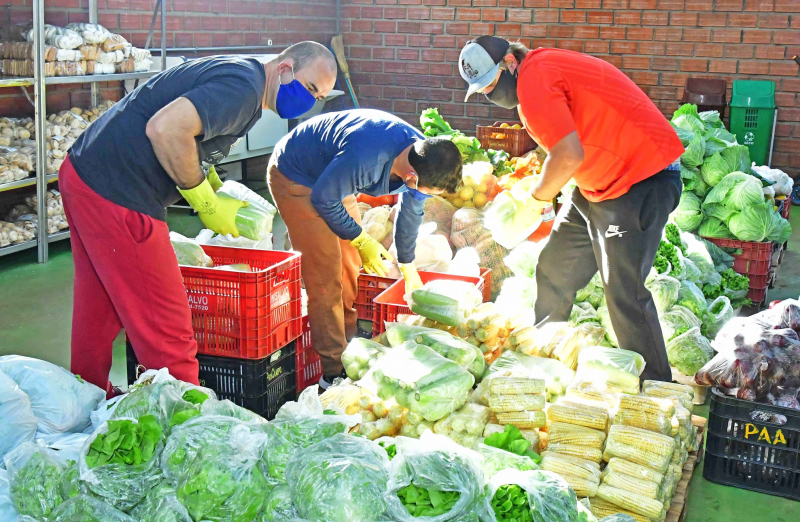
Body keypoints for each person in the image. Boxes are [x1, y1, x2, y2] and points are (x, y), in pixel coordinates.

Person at [60, 42, 337, 396]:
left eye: (319, 97)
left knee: (98, 303)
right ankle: (186, 425)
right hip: (120, 191)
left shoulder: (245, 76)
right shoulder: (243, 90)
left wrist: (212, 182)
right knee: (166, 324)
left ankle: (85, 395)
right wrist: (205, 203)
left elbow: (195, 137)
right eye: (310, 88)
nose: (310, 101)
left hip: (85, 174)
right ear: (284, 69)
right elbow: (166, 129)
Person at [459, 37, 685, 381]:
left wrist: (534, 201)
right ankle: (545, 353)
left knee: (624, 293)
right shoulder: (538, 70)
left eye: (492, 82)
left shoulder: (535, 80)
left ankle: (655, 390)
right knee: (555, 268)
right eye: (482, 89)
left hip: (638, 180)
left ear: (509, 61)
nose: (491, 92)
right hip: (598, 183)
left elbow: (568, 154)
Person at [268, 109, 463, 388]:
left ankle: (348, 338)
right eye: (427, 192)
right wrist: (361, 239)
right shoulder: (367, 158)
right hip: (297, 177)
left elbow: (410, 213)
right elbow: (324, 199)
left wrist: (408, 266)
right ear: (410, 178)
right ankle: (334, 371)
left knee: (350, 266)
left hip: (333, 178)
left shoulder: (424, 156)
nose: (424, 197)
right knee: (325, 278)